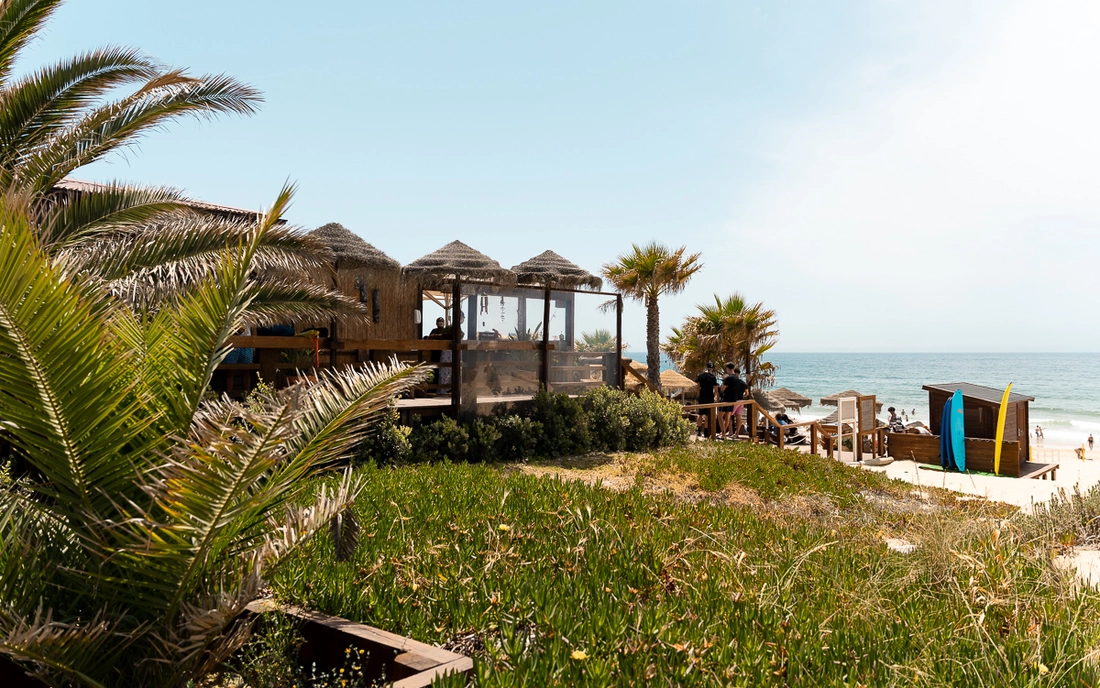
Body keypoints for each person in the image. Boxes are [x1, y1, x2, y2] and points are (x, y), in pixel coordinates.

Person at [719, 364, 748, 439]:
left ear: (728, 369)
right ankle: (735, 433)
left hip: (728, 399)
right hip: (737, 400)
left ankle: (725, 432)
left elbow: (722, 388)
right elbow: (747, 393)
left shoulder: (729, 378)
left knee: (722, 416)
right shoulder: (739, 380)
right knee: (734, 417)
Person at [694, 362, 719, 437]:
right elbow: (716, 390)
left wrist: (699, 395)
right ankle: (705, 432)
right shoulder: (713, 377)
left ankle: (698, 431)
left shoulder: (700, 376)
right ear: (712, 368)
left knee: (700, 414)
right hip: (709, 398)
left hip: (702, 397)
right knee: (708, 415)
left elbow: (698, 387)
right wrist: (713, 396)